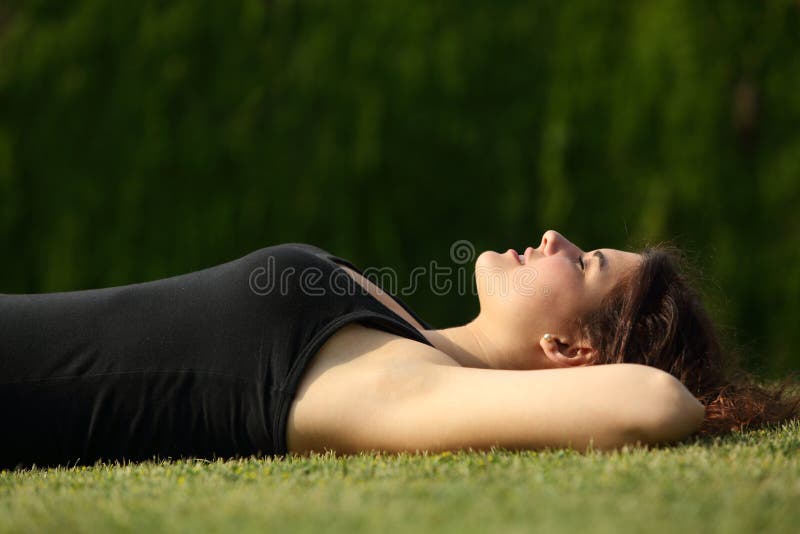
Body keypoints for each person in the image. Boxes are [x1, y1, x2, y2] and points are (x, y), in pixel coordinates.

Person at [1, 231, 795, 469]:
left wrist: (709, 405)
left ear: (568, 350)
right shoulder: (399, 336)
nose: (556, 236)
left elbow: (655, 402)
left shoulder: (405, 385)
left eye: (584, 264)